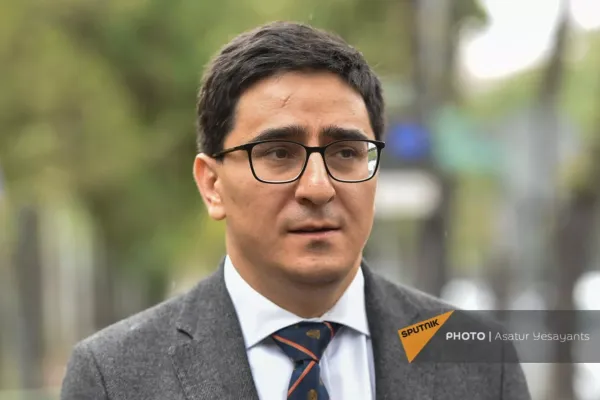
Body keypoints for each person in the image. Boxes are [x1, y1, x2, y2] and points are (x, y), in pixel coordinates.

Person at [61, 21, 531, 400]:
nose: (318, 187)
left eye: (345, 153)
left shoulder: (479, 360)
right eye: (279, 154)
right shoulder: (115, 376)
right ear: (212, 185)